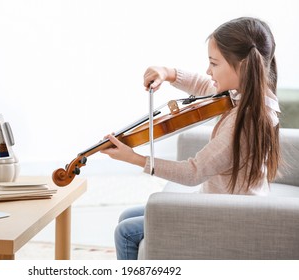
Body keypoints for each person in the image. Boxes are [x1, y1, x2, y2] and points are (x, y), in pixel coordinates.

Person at [100, 17, 281, 260]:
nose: (209, 70)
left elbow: (193, 172)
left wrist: (134, 158)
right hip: (222, 206)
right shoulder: (249, 95)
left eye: (214, 64)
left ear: (244, 66)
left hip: (230, 216)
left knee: (126, 232)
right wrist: (169, 73)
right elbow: (205, 85)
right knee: (128, 217)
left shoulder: (246, 122)